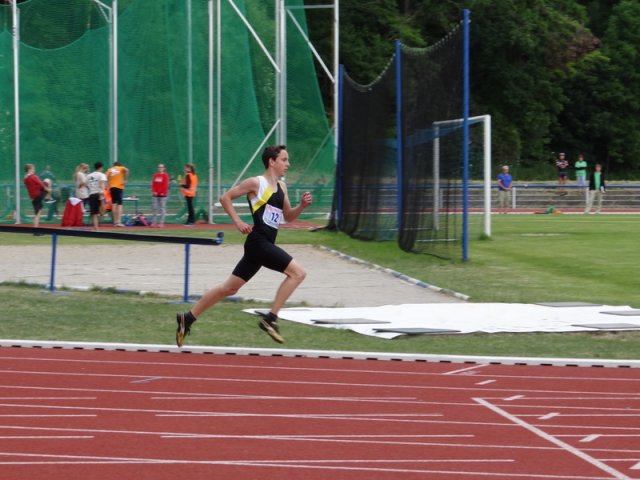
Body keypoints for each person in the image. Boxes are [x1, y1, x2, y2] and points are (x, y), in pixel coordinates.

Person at [175, 145, 312, 347]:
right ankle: (271, 319)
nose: (288, 164)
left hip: (261, 246)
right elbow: (225, 198)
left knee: (229, 288)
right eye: (284, 160)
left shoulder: (282, 187)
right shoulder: (257, 183)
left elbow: (288, 217)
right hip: (258, 242)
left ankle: (188, 318)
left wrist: (301, 206)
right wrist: (238, 221)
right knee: (298, 273)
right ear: (272, 161)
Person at [23, 164, 51, 230]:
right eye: (33, 169)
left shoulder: (25, 179)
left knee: (37, 213)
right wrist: (48, 190)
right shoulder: (33, 177)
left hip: (33, 197)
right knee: (48, 180)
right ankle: (48, 198)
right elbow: (41, 184)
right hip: (38, 195)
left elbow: (33, 185)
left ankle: (35, 230)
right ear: (29, 170)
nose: (34, 170)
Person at [106, 160, 129, 227]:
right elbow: (127, 170)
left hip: (112, 187)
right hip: (119, 187)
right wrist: (125, 180)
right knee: (120, 204)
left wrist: (108, 184)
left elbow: (105, 176)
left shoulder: (110, 169)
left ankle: (115, 222)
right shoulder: (121, 168)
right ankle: (118, 221)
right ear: (119, 165)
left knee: (114, 204)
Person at [86, 162, 108, 230]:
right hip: (99, 194)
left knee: (94, 213)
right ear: (101, 167)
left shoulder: (89, 175)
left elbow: (86, 184)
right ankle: (98, 223)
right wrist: (102, 193)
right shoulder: (102, 175)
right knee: (103, 211)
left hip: (91, 194)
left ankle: (96, 227)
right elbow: (102, 185)